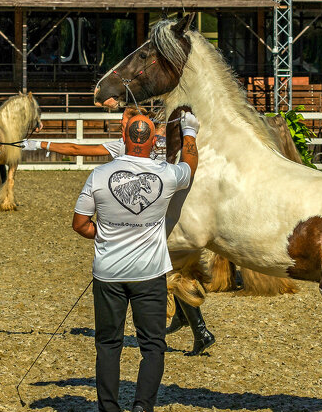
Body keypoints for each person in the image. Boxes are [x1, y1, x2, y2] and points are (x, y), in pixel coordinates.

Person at [26, 113, 217, 355]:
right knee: (170, 271)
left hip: (147, 226)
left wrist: (40, 144)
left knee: (167, 273)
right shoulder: (164, 142)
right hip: (170, 216)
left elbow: (77, 148)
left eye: (123, 123)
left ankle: (197, 328)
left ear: (130, 129)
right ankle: (190, 323)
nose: (119, 126)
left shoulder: (122, 146)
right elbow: (188, 165)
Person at [72, 108, 200, 412]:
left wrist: (105, 233)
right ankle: (141, 411)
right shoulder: (166, 173)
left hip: (109, 273)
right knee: (153, 346)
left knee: (109, 345)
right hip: (149, 272)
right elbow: (190, 165)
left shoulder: (100, 175)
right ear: (155, 141)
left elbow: (79, 224)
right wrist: (189, 131)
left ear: (125, 140)